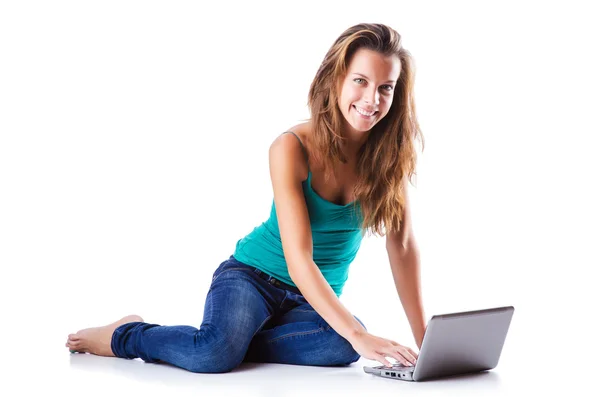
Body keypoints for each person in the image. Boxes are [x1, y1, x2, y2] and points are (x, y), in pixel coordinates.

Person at [65, 22, 426, 374]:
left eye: (386, 88)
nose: (371, 99)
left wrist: (426, 342)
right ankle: (125, 335)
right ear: (336, 80)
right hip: (253, 278)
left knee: (342, 346)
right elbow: (297, 258)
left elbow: (403, 247)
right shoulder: (292, 147)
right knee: (214, 354)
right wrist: (357, 332)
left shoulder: (389, 159)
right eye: (360, 81)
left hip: (312, 301)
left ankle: (235, 343)